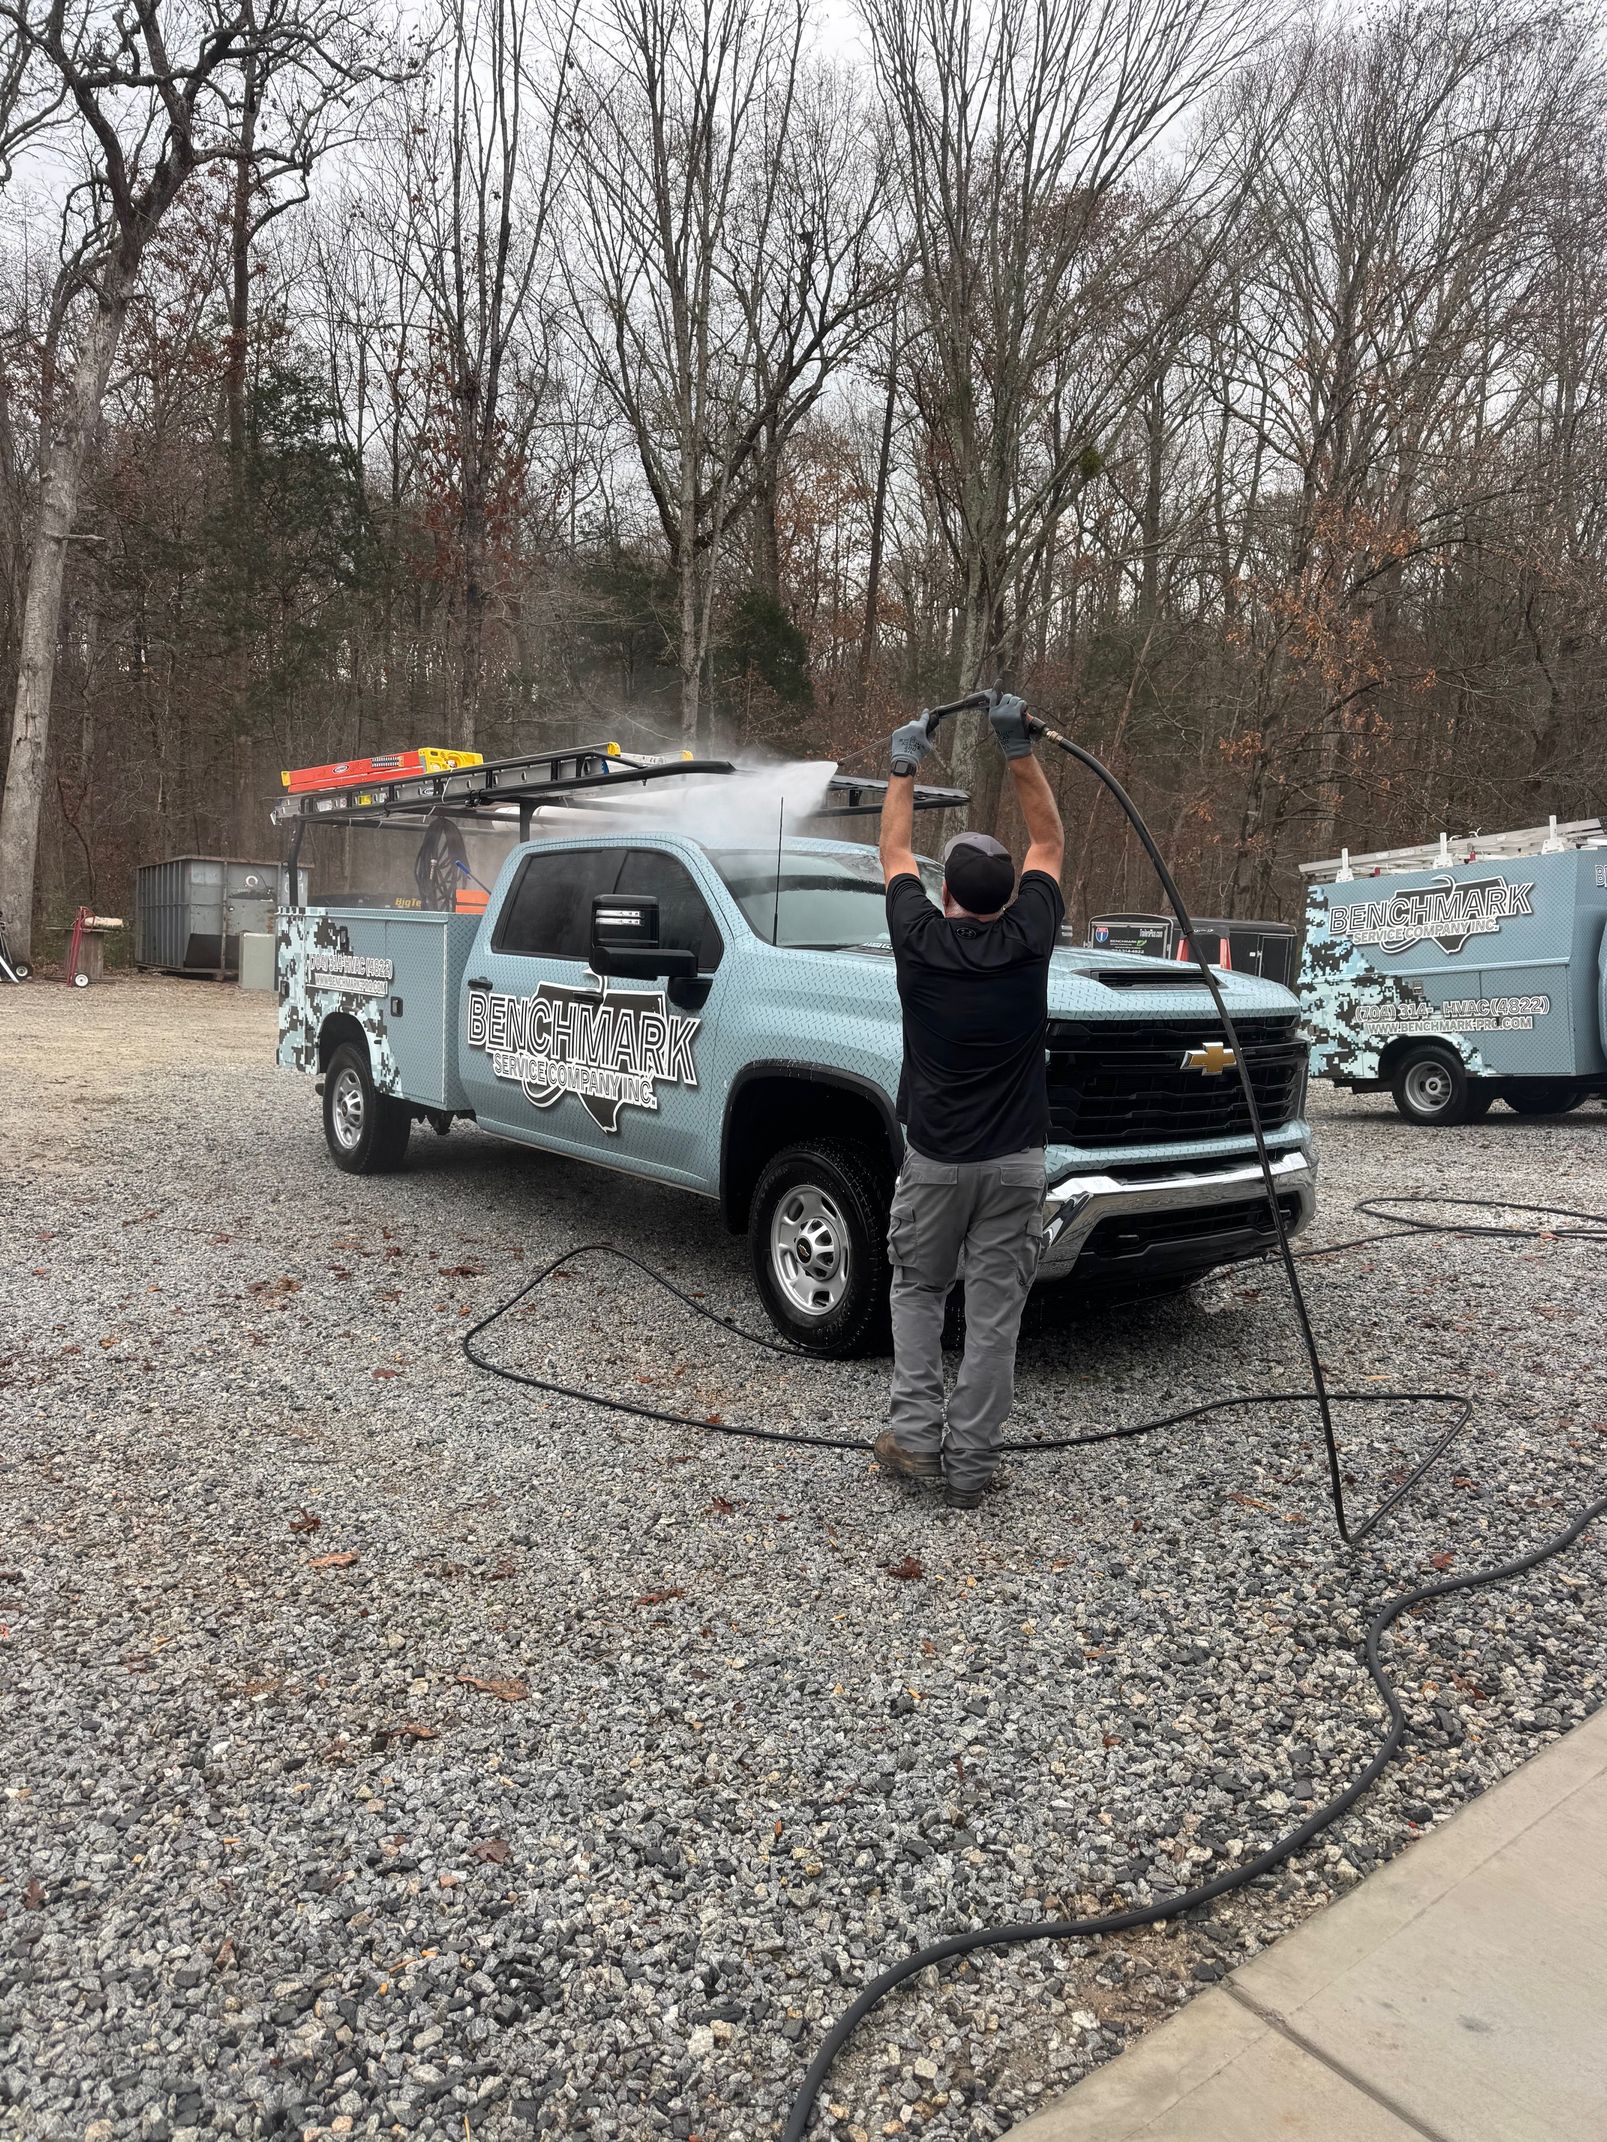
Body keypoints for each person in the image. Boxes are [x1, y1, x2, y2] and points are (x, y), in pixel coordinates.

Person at [872, 692, 1065, 1510]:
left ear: (946, 891)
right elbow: (1048, 839)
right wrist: (1016, 747)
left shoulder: (919, 940)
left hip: (938, 1163)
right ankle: (971, 1466)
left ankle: (914, 1442)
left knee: (918, 1290)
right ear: (1010, 893)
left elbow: (891, 850)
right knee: (993, 1315)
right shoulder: (1030, 940)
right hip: (1016, 1163)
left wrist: (902, 766)